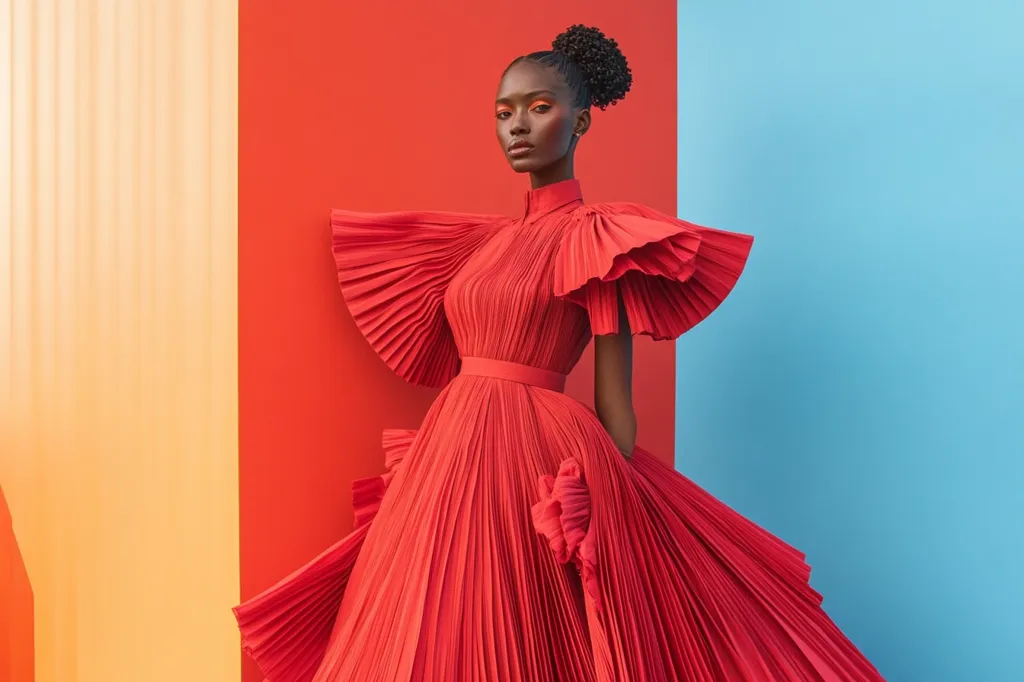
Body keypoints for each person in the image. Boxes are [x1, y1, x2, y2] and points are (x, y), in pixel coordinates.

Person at [233, 24, 885, 682]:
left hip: (534, 459)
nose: (517, 126)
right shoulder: (480, 244)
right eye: (503, 112)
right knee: (430, 627)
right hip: (449, 451)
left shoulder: (597, 238)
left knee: (517, 636)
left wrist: (613, 511)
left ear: (582, 122)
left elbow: (613, 402)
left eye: (539, 107)